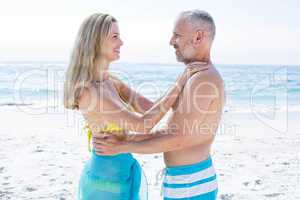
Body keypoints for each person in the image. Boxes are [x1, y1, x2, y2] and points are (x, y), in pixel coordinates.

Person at [63, 13, 203, 200]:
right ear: (95, 41)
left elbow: (150, 108)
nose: (121, 42)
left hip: (123, 172)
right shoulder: (90, 91)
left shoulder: (111, 82)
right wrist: (180, 81)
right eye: (115, 37)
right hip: (106, 180)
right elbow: (142, 125)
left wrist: (192, 90)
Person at [93, 10, 225, 200]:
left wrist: (123, 145)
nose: (171, 41)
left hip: (191, 184)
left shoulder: (204, 78)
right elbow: (157, 112)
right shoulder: (193, 75)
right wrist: (123, 89)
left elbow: (176, 138)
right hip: (185, 180)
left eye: (177, 35)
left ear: (198, 37)